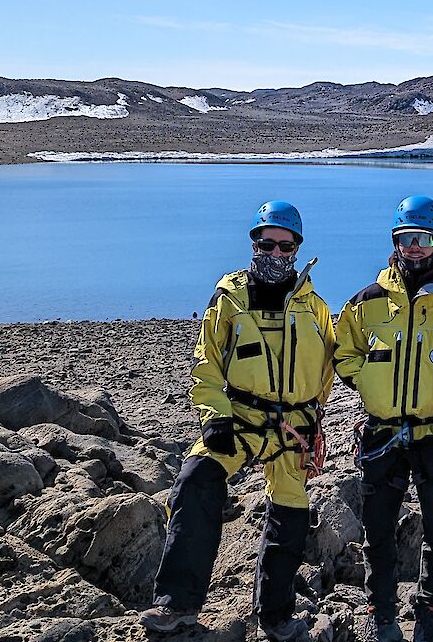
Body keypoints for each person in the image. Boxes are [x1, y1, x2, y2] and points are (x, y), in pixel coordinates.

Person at [142, 201, 336, 641]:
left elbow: (328, 366)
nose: (275, 252)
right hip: (241, 419)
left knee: (290, 515)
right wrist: (214, 414)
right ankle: (177, 604)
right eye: (266, 243)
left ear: (298, 248)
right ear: (254, 243)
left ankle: (275, 615)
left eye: (285, 245)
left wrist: (316, 419)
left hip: (294, 429)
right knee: (195, 481)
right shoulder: (229, 299)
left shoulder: (314, 306)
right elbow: (206, 363)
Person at [334, 196, 433, 642]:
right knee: (378, 532)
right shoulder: (368, 300)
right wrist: (369, 382)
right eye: (406, 238)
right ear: (395, 241)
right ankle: (382, 613)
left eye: (423, 240)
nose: (414, 248)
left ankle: (429, 612)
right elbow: (343, 350)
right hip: (382, 435)